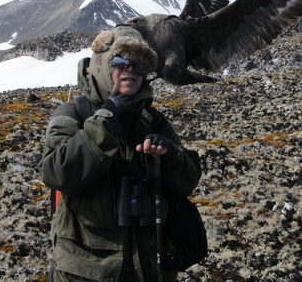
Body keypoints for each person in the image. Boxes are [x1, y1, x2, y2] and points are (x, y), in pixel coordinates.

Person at [40, 26, 202, 282]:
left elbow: (188, 181)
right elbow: (57, 173)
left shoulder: (155, 121)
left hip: (150, 270)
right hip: (86, 272)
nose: (130, 69)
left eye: (140, 64)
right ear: (101, 64)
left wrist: (168, 156)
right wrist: (107, 119)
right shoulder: (74, 115)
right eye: (121, 61)